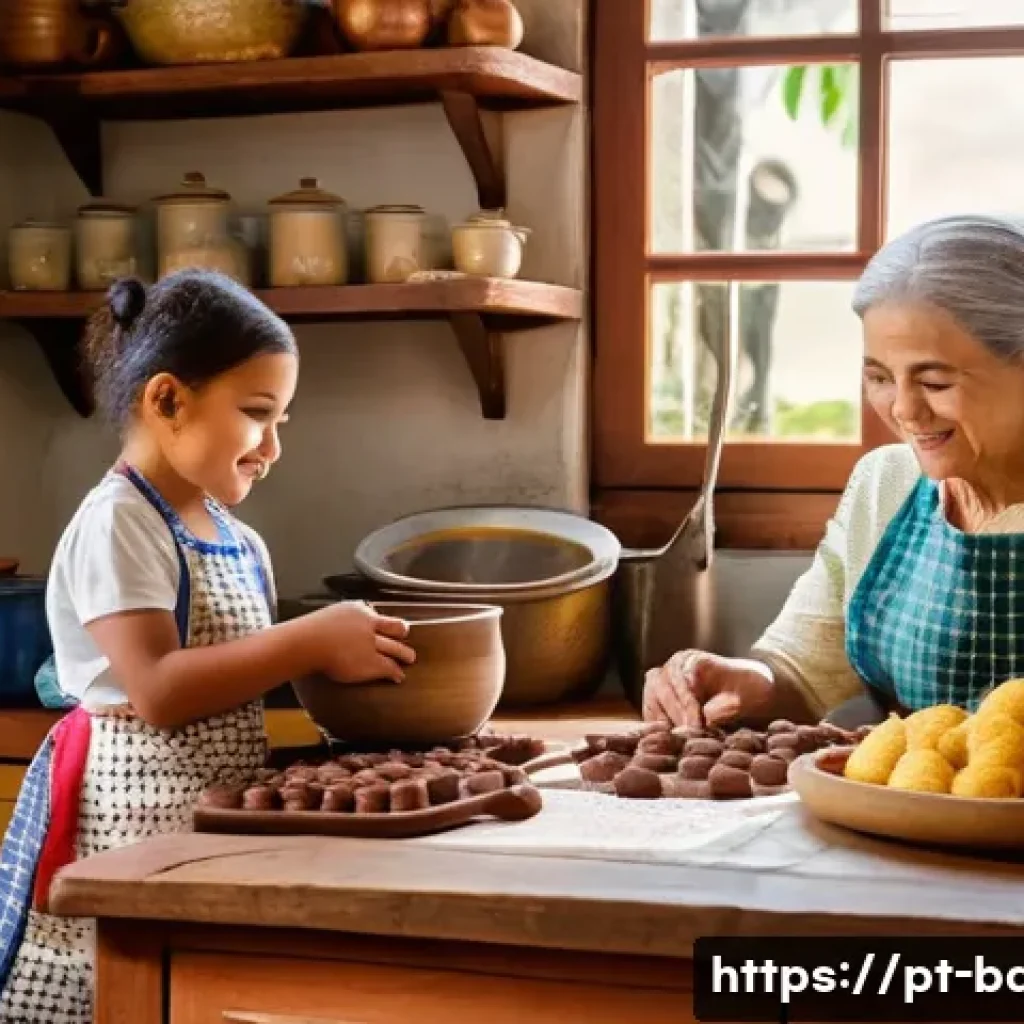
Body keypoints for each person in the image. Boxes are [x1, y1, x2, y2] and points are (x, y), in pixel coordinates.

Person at [0, 270, 417, 1023]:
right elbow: (159, 690)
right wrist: (313, 639)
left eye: (283, 419)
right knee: (132, 996)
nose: (274, 446)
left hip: (212, 825)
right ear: (167, 400)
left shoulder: (238, 538)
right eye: (258, 414)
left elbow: (239, 680)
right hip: (126, 834)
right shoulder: (118, 522)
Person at [644, 213, 1024, 730]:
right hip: (899, 806)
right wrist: (737, 681)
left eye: (934, 381)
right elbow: (800, 673)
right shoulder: (885, 484)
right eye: (879, 377)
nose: (904, 411)